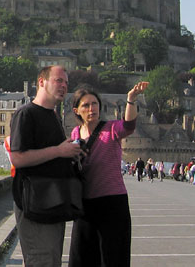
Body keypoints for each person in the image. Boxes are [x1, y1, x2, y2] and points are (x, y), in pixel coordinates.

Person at [8, 65, 83, 267]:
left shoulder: (54, 116)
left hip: (53, 202)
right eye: (58, 80)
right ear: (41, 82)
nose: (64, 86)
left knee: (51, 261)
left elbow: (53, 154)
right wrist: (59, 151)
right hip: (35, 204)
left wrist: (71, 154)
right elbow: (18, 158)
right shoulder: (26, 114)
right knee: (42, 261)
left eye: (66, 82)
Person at [68, 82, 148, 267]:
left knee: (113, 257)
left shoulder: (111, 129)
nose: (91, 108)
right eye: (86, 105)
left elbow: (128, 126)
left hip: (112, 202)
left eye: (94, 104)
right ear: (77, 110)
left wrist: (131, 99)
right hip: (85, 204)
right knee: (82, 256)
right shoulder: (75, 133)